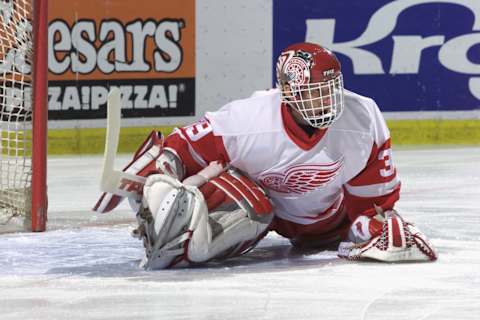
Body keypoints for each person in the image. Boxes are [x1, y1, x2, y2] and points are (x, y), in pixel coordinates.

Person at [94, 42, 437, 269]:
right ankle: (173, 244)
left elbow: (370, 204)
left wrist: (374, 223)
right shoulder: (247, 121)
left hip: (324, 226)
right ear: (287, 93)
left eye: (331, 91)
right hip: (258, 214)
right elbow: (180, 146)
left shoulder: (363, 118)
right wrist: (160, 174)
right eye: (315, 94)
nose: (328, 103)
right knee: (237, 205)